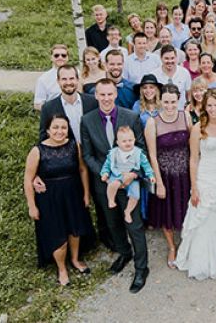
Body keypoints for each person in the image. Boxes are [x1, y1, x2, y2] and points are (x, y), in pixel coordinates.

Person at [80, 78, 149, 293]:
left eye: (110, 94)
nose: (106, 98)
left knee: (134, 225)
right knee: (112, 223)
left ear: (115, 94)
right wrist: (106, 174)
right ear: (96, 96)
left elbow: (141, 149)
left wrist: (132, 174)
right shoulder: (87, 120)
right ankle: (124, 252)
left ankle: (141, 268)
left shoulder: (131, 116)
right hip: (105, 184)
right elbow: (88, 155)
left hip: (130, 183)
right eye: (102, 94)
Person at [175, 89, 216, 279]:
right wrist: (194, 188)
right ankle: (205, 259)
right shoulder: (198, 129)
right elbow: (194, 160)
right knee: (205, 216)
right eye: (209, 105)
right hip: (205, 176)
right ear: (205, 107)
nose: (213, 109)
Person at [24, 114, 94, 286]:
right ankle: (61, 269)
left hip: (73, 194)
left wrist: (86, 194)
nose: (59, 131)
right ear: (47, 130)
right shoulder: (37, 151)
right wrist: (31, 206)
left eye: (63, 127)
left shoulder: (74, 145)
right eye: (55, 127)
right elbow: (28, 179)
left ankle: (75, 259)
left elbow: (83, 170)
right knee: (57, 234)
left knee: (74, 230)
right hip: (49, 198)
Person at [144, 84, 192, 268]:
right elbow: (152, 155)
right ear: (160, 100)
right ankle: (172, 246)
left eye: (173, 101)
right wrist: (159, 183)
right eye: (166, 102)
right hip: (165, 175)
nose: (170, 106)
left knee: (188, 210)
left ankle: (188, 244)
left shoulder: (185, 116)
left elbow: (192, 144)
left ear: (178, 99)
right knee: (167, 213)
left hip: (185, 174)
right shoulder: (152, 122)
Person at [101, 126, 156, 223]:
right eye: (124, 141)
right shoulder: (113, 153)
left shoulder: (138, 153)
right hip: (117, 174)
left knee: (135, 196)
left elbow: (146, 165)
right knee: (113, 184)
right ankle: (111, 199)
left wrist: (150, 175)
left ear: (134, 140)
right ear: (117, 142)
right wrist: (104, 173)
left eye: (130, 140)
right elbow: (107, 164)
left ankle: (128, 211)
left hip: (132, 177)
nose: (128, 143)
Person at [39, 65, 98, 143]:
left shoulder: (93, 102)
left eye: (71, 78)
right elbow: (44, 137)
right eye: (64, 79)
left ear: (77, 80)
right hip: (65, 153)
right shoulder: (48, 108)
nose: (68, 82)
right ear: (58, 81)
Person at [34, 44, 69, 110]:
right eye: (56, 55)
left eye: (63, 55)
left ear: (67, 58)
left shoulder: (77, 73)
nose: (60, 57)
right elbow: (37, 104)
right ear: (51, 58)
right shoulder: (43, 79)